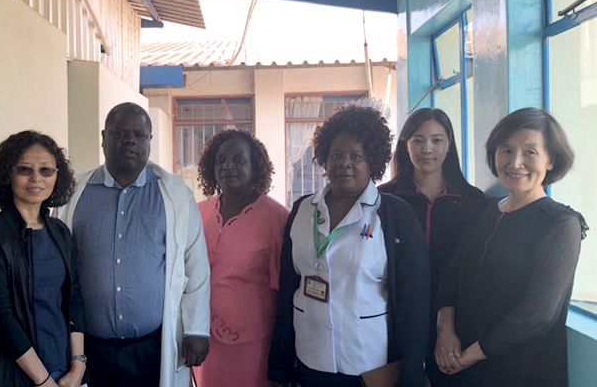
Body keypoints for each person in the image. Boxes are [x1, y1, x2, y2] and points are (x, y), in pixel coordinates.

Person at [268, 102, 429, 387]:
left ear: (373, 161)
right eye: (337, 155)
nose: (345, 163)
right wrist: (280, 366)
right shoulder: (302, 210)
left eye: (357, 155)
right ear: (324, 159)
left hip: (368, 363)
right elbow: (288, 288)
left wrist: (412, 372)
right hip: (310, 356)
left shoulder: (395, 215)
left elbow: (415, 302)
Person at [54, 102, 210, 387]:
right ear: (103, 137)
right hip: (87, 347)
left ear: (149, 140)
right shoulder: (73, 193)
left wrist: (197, 330)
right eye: (119, 133)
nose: (129, 140)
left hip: (151, 347)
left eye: (139, 135)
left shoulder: (175, 195)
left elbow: (195, 264)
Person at [434, 108, 588, 387]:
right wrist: (445, 331)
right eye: (506, 150)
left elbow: (537, 314)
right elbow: (452, 274)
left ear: (551, 159)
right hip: (461, 364)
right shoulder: (483, 210)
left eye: (530, 152)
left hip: (521, 370)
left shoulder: (561, 224)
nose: (515, 162)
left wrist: (470, 355)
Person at [0, 131, 86, 387]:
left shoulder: (60, 232)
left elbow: (74, 297)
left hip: (64, 372)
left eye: (46, 170)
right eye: (24, 169)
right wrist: (43, 382)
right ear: (7, 173)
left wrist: (78, 365)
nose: (36, 179)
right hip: (11, 375)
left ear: (57, 176)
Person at [379, 108, 483, 386]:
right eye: (417, 140)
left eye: (437, 140)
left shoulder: (473, 201)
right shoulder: (383, 199)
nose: (427, 149)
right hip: (394, 317)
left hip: (455, 322)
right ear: (405, 145)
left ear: (449, 145)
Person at [192, 130, 289, 387]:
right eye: (220, 160)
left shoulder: (277, 219)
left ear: (254, 166)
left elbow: (285, 292)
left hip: (254, 343)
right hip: (202, 339)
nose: (228, 166)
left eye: (238, 159)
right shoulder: (197, 213)